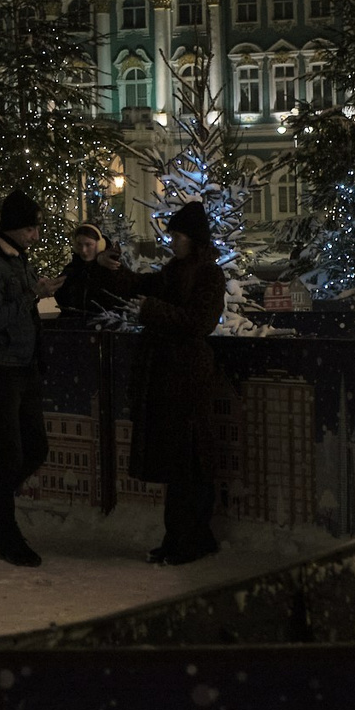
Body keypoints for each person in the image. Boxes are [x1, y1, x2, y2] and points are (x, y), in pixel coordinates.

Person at [110, 201, 229, 565]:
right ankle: (183, 538)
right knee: (181, 467)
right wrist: (114, 268)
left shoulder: (208, 274)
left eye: (176, 235)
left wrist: (151, 310)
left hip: (187, 380)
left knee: (188, 466)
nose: (171, 241)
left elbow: (198, 321)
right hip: (171, 378)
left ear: (193, 239)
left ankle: (187, 540)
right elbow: (143, 286)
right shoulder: (176, 270)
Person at [0, 190, 63, 568]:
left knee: (35, 448)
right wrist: (31, 295)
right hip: (1, 369)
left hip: (24, 365)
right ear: (13, 229)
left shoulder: (18, 259)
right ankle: (6, 535)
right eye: (31, 228)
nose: (35, 235)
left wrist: (42, 291)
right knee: (11, 456)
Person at [54, 222, 131, 319]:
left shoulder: (113, 267)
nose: (83, 250)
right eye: (79, 245)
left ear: (100, 245)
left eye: (88, 245)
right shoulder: (72, 269)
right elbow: (60, 296)